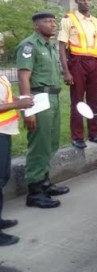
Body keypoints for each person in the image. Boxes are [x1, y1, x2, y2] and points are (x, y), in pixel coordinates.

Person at [16, 12, 69, 209]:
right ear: (36, 26)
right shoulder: (29, 46)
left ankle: (44, 182)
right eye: (47, 22)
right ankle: (34, 191)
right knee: (39, 144)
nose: (53, 25)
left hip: (53, 97)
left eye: (54, 21)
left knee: (51, 142)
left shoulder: (49, 46)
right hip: (38, 98)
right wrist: (27, 110)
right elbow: (23, 78)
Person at [57, 0, 97, 149]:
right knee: (78, 100)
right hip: (77, 62)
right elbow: (61, 46)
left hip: (95, 63)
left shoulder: (95, 21)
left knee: (95, 101)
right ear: (77, 1)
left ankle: (94, 134)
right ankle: (77, 136)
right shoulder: (69, 19)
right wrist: (66, 71)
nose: (86, 2)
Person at [0, 76, 33, 246]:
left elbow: (4, 98)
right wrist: (17, 105)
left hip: (4, 131)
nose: (2, 49)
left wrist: (20, 99)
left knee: (3, 177)